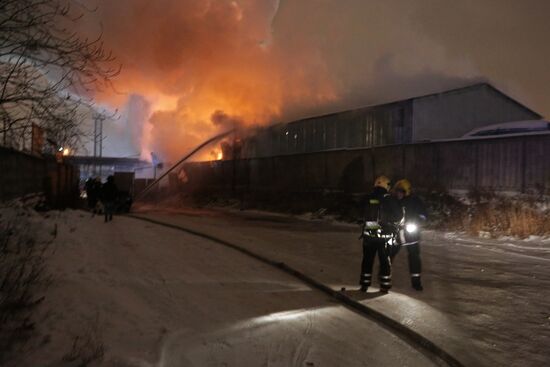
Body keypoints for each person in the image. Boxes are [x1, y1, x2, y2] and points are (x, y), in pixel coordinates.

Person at [358, 176, 403, 293]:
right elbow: (399, 216)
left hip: (369, 234)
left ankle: (364, 284)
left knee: (367, 260)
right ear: (386, 186)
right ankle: (384, 286)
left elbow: (359, 212)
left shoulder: (368, 198)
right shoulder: (390, 199)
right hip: (385, 235)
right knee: (384, 261)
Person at [391, 179, 427, 291]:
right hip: (396, 232)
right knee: (389, 253)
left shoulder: (415, 201)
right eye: (397, 191)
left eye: (401, 191)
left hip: (411, 232)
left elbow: (423, 214)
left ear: (407, 191)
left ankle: (416, 281)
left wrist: (418, 220)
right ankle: (383, 274)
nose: (399, 194)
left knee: (414, 256)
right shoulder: (392, 201)